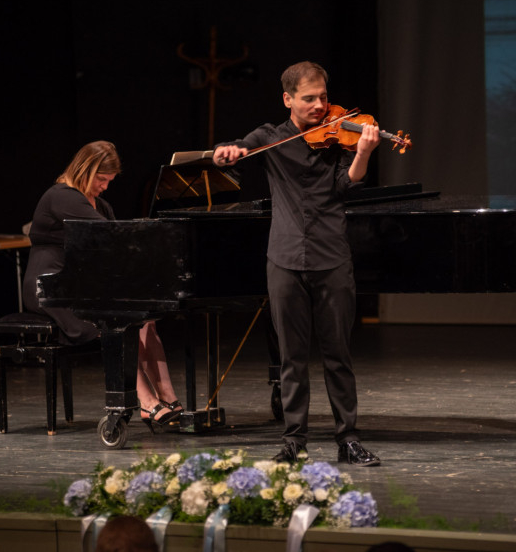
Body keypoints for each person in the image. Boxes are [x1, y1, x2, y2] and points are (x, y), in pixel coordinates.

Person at [212, 61, 382, 466]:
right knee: (291, 358)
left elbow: (346, 183)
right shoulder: (269, 137)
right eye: (309, 99)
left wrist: (363, 152)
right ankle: (293, 442)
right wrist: (225, 153)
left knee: (338, 354)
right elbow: (233, 152)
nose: (320, 106)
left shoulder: (338, 136)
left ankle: (348, 439)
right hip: (285, 258)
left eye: (323, 97)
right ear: (287, 99)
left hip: (331, 256)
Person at [23, 141, 183, 428]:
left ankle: (168, 398)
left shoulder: (102, 205)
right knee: (114, 324)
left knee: (146, 321)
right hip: (51, 287)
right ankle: (146, 401)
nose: (105, 187)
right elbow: (111, 237)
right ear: (85, 169)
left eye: (109, 181)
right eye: (102, 179)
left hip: (84, 286)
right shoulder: (62, 196)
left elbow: (111, 252)